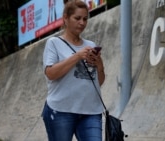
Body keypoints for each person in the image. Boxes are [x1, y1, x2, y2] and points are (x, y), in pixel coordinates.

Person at [42, 0, 105, 141]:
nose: (82, 23)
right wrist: (77, 56)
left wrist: (99, 64)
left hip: (91, 111)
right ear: (65, 18)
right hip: (61, 111)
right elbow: (50, 74)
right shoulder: (54, 43)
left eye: (85, 19)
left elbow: (98, 83)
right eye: (77, 18)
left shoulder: (91, 45)